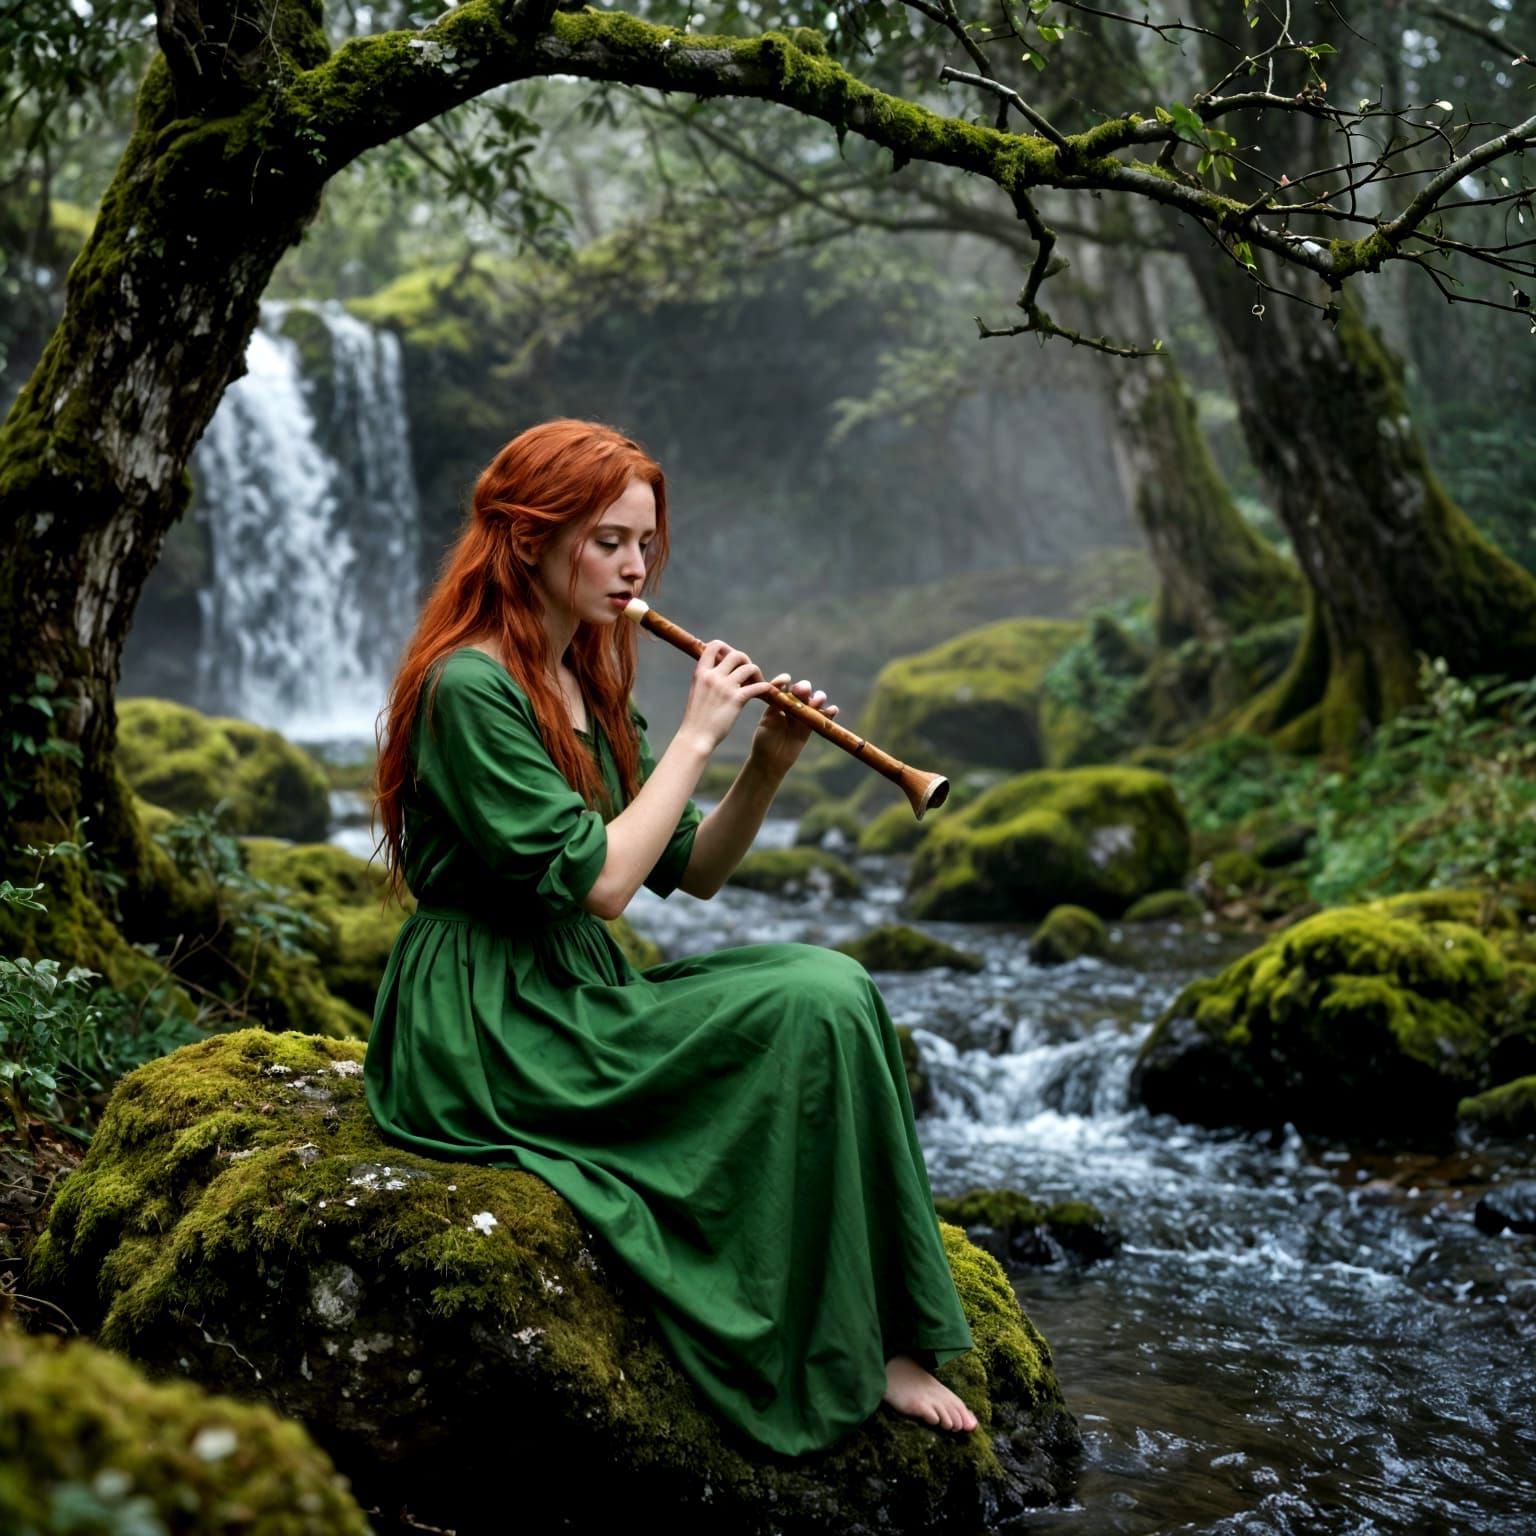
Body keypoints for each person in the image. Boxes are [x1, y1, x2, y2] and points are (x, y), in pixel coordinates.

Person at [365, 418, 977, 1457]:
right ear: (526, 539)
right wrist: (697, 731)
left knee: (834, 988)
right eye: (607, 539)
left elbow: (688, 868)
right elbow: (602, 884)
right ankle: (851, 1346)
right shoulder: (470, 686)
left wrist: (769, 760)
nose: (636, 565)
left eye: (645, 542)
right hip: (487, 1019)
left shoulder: (588, 682)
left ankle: (890, 1335)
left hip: (572, 991)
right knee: (810, 1000)